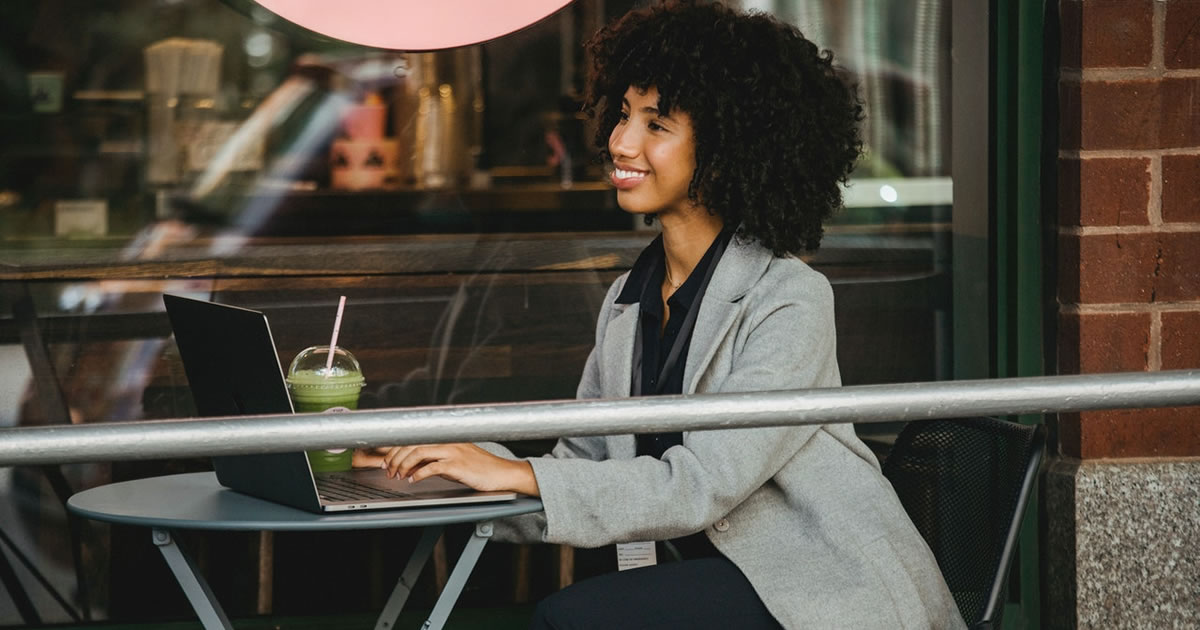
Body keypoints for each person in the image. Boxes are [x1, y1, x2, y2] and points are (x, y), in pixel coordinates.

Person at [357, 1, 966, 627]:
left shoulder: (790, 299)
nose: (620, 141)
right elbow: (582, 472)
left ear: (727, 147)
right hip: (702, 576)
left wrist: (509, 472)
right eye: (623, 115)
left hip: (815, 587)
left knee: (571, 618)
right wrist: (432, 467)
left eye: (656, 124)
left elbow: (700, 485)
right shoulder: (628, 299)